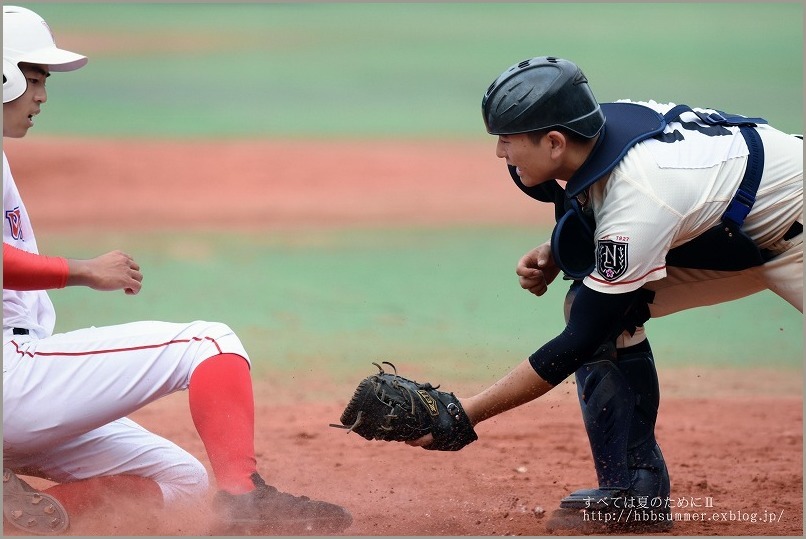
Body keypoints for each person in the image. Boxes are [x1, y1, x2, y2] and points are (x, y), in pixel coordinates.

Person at [410, 55, 802, 532]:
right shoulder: (594, 132)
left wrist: (465, 412)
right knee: (596, 306)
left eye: (507, 139)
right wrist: (557, 250)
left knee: (592, 318)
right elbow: (598, 207)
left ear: (554, 141)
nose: (500, 153)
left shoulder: (643, 193)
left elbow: (580, 336)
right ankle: (634, 492)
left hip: (788, 229)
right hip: (736, 229)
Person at [2, 5, 352, 536]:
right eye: (32, 79)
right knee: (210, 344)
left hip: (22, 392)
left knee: (179, 480)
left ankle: (30, 516)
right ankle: (244, 499)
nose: (42, 95)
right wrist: (83, 270)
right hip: (12, 378)